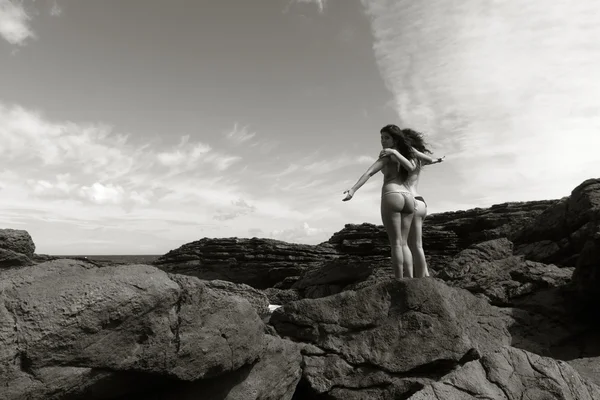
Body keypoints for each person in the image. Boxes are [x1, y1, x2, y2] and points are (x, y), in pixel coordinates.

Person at [342, 124, 417, 279]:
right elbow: (411, 167)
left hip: (392, 195)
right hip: (409, 198)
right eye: (381, 138)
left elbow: (369, 172)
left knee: (396, 243)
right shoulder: (406, 155)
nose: (382, 141)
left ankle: (399, 281)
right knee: (404, 243)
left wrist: (353, 189)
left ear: (395, 140)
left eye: (386, 138)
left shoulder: (388, 155)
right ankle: (411, 281)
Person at [379, 128, 444, 277]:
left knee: (407, 244)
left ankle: (418, 281)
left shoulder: (400, 158)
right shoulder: (417, 159)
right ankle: (425, 276)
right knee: (418, 246)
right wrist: (438, 160)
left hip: (409, 200)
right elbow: (429, 160)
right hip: (422, 202)